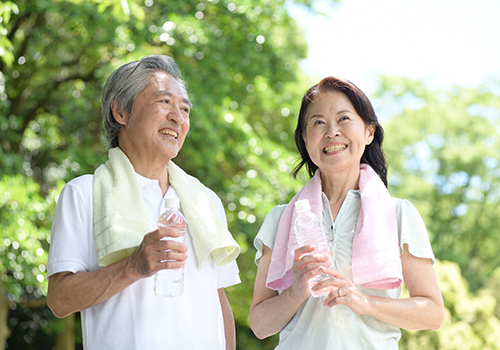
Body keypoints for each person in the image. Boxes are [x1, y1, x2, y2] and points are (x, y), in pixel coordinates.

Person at [47, 55, 241, 349]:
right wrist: (132, 267)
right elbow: (59, 300)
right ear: (121, 111)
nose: (179, 117)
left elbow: (218, 302)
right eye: (165, 102)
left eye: (185, 108)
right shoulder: (85, 193)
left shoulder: (205, 202)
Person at [249, 76, 444, 349]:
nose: (331, 132)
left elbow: (432, 313)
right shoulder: (281, 219)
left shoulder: (398, 213)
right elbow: (259, 325)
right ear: (306, 140)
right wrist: (295, 291)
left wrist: (366, 302)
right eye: (318, 123)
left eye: (343, 119)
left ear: (369, 132)